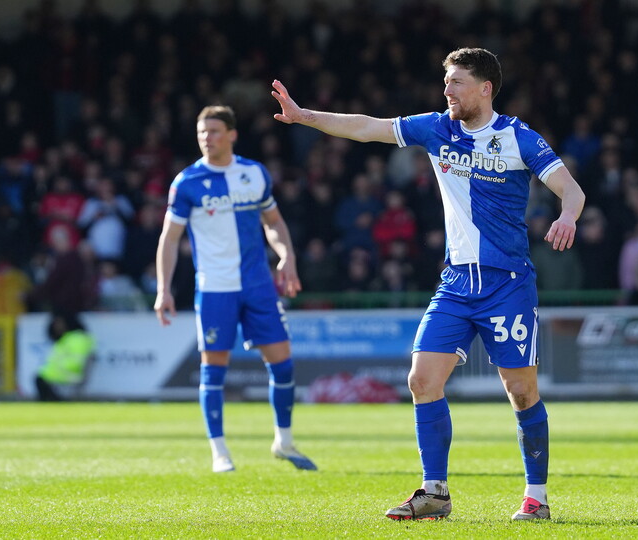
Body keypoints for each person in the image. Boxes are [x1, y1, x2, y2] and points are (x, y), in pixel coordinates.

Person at [271, 47, 585, 521]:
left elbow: (572, 189)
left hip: (507, 284)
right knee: (421, 379)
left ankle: (536, 497)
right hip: (457, 282)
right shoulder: (437, 127)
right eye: (446, 82)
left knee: (521, 391)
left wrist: (567, 216)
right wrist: (305, 116)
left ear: (485, 87)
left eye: (457, 82)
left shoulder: (517, 137)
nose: (447, 90)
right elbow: (366, 126)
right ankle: (434, 493)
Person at [153, 105, 316, 474]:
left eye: (213, 131)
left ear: (231, 135)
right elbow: (169, 238)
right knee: (214, 369)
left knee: (283, 363)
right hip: (215, 288)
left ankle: (284, 441)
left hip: (258, 285)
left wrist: (286, 255)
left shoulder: (253, 174)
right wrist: (163, 289)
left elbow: (273, 222)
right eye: (201, 133)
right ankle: (220, 452)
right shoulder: (187, 182)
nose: (207, 139)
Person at [34, 312, 95, 401]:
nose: (56, 326)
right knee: (39, 380)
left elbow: (76, 362)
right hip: (56, 376)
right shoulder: (66, 339)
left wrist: (59, 368)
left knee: (41, 382)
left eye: (59, 323)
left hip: (67, 375)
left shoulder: (77, 339)